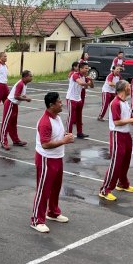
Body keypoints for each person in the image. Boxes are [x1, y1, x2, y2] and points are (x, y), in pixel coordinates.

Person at [31, 92, 75, 232]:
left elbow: (56, 135)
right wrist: (64, 141)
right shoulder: (45, 121)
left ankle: (53, 212)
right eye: (59, 102)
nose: (62, 103)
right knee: (43, 190)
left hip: (57, 157)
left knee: (56, 187)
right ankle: (37, 220)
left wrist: (64, 136)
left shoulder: (57, 117)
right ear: (51, 105)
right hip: (46, 159)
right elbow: (45, 144)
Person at [99, 80, 133, 201]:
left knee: (125, 161)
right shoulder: (115, 103)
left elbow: (130, 118)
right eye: (129, 86)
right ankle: (105, 190)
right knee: (116, 164)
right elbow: (117, 122)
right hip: (117, 135)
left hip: (126, 135)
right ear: (124, 89)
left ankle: (123, 184)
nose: (131, 88)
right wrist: (131, 121)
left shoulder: (125, 103)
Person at [0, 70, 33, 150]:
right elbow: (16, 96)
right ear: (25, 77)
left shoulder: (24, 84)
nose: (32, 77)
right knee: (6, 123)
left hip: (15, 105)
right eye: (30, 76)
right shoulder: (21, 84)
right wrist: (26, 99)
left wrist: (24, 97)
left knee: (13, 123)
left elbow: (20, 95)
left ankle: (15, 140)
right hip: (10, 103)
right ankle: (3, 141)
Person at [66, 61, 94, 139]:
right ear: (80, 69)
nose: (87, 70)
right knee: (71, 117)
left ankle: (79, 133)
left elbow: (90, 86)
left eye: (88, 68)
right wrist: (87, 82)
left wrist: (91, 80)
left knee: (79, 117)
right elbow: (81, 83)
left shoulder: (84, 77)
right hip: (71, 98)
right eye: (86, 68)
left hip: (78, 98)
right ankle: (68, 134)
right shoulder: (75, 75)